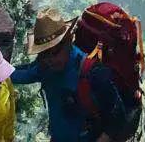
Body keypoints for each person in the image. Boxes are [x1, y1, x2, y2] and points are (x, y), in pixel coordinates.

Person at [11, 7, 127, 142]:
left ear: (69, 40)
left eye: (55, 52)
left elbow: (118, 117)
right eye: (44, 53)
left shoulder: (92, 73)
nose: (50, 59)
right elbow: (20, 75)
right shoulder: (44, 67)